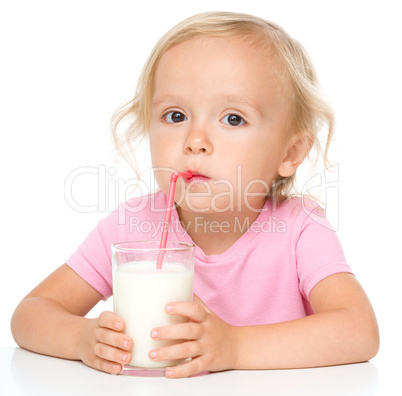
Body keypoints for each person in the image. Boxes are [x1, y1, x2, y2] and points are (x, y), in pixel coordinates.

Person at [11, 11, 379, 379]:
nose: (195, 142)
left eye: (233, 118)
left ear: (290, 153)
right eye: (175, 116)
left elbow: (359, 331)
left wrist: (233, 346)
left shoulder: (299, 229)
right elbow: (31, 313)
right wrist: (81, 338)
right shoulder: (131, 227)